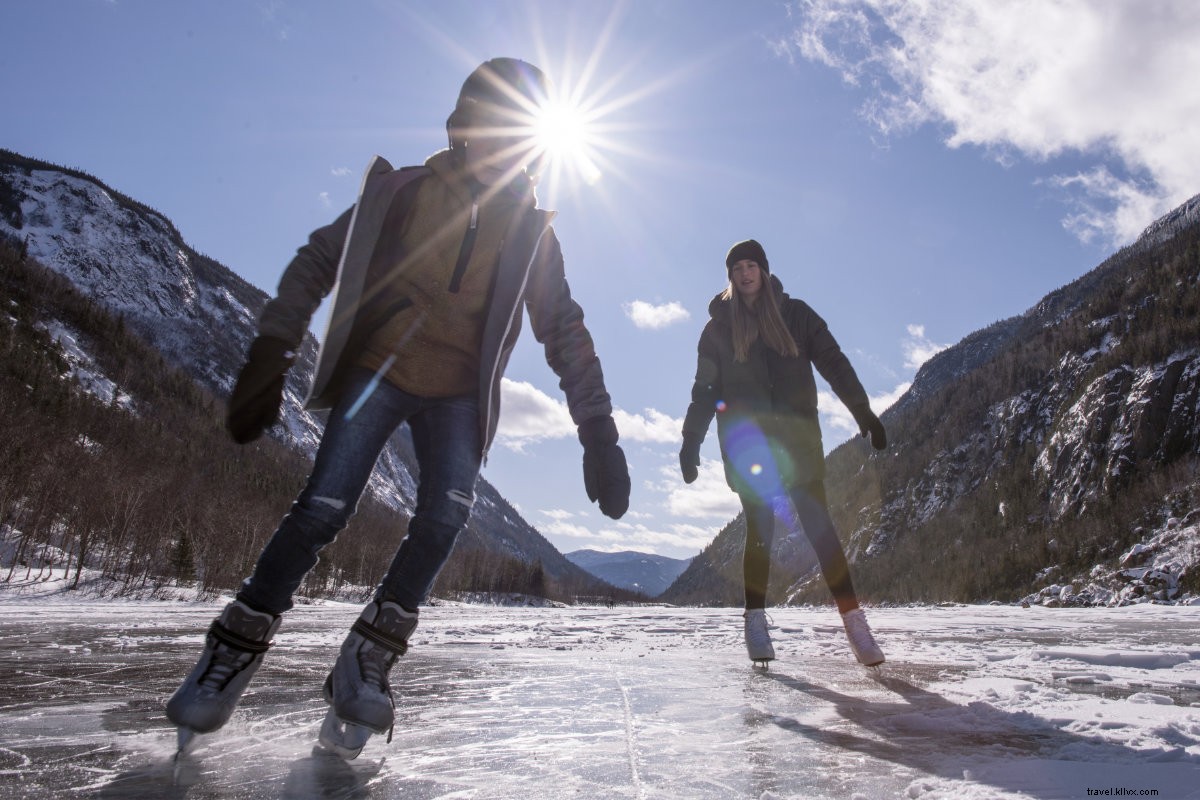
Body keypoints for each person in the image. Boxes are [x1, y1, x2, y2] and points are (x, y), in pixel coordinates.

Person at [167, 58, 631, 758]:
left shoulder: (532, 233)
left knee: (446, 511)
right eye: (488, 124)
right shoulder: (405, 191)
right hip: (378, 370)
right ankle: (233, 648)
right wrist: (273, 349)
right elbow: (319, 258)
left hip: (455, 395)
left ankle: (368, 655)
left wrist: (597, 429)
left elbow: (563, 328)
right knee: (324, 504)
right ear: (463, 126)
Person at [678, 239, 885, 668]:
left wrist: (862, 411)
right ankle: (755, 621)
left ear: (765, 270)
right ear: (730, 278)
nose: (745, 274)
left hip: (797, 443)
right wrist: (691, 440)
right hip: (748, 444)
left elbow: (834, 363)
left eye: (752, 265)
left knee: (820, 529)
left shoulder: (797, 316)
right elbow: (705, 391)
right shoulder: (717, 330)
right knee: (760, 530)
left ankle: (854, 622)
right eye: (737, 268)